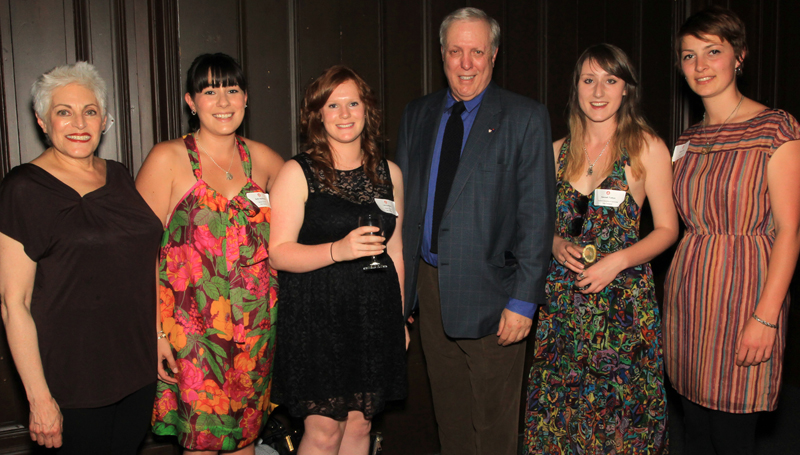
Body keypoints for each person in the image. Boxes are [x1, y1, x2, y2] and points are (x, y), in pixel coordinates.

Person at [395, 7, 555, 455]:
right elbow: (405, 215)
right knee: (451, 423)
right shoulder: (418, 114)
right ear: (442, 55)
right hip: (430, 289)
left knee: (494, 431)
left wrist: (523, 301)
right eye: (456, 51)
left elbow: (537, 216)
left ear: (494, 55)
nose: (466, 63)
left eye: (477, 52)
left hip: (496, 296)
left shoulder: (525, 118)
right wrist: (403, 298)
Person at [0, 62, 162, 454]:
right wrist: (39, 399)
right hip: (71, 381)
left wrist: (158, 337)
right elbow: (13, 303)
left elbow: (145, 263)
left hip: (136, 368)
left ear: (104, 119)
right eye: (63, 111)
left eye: (89, 111)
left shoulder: (121, 176)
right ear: (42, 121)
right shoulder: (23, 188)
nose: (79, 123)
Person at [524, 44, 677, 454]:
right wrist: (554, 243)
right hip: (562, 309)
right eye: (588, 80)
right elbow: (535, 226)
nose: (598, 91)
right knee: (562, 418)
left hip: (622, 308)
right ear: (575, 87)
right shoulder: (555, 151)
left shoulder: (647, 148)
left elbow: (667, 229)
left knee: (620, 423)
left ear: (626, 89)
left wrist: (619, 261)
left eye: (610, 80)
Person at [664, 6, 800, 455]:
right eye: (688, 56)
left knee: (732, 434)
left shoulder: (775, 128)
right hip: (689, 299)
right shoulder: (688, 138)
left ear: (738, 56)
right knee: (695, 432)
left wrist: (765, 318)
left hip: (745, 296)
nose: (700, 66)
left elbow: (790, 230)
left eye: (712, 52)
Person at [136, 53, 284, 454]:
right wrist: (157, 334)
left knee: (245, 443)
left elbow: (296, 233)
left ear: (246, 98)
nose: (222, 102)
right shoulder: (168, 159)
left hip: (256, 331)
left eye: (232, 90)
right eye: (209, 91)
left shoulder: (267, 161)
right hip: (192, 334)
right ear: (190, 101)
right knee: (201, 445)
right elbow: (137, 254)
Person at [269, 65, 407, 455]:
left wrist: (397, 321)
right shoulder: (298, 172)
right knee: (325, 433)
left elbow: (395, 250)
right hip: (317, 319)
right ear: (318, 114)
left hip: (373, 319)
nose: (344, 114)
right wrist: (337, 250)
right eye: (333, 105)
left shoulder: (389, 174)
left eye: (353, 103)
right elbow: (278, 252)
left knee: (361, 431)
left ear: (367, 110)